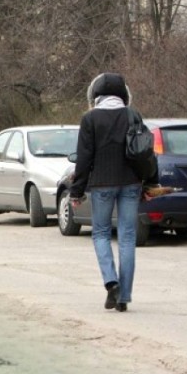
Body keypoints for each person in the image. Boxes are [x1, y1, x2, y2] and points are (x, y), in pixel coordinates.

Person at [69, 72, 157, 313]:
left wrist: (76, 192)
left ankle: (111, 283)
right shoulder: (133, 115)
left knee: (100, 234)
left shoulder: (90, 119)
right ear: (124, 95)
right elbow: (146, 152)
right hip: (130, 184)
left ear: (96, 95)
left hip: (102, 185)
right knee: (127, 237)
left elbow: (84, 159)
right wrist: (150, 184)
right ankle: (124, 297)